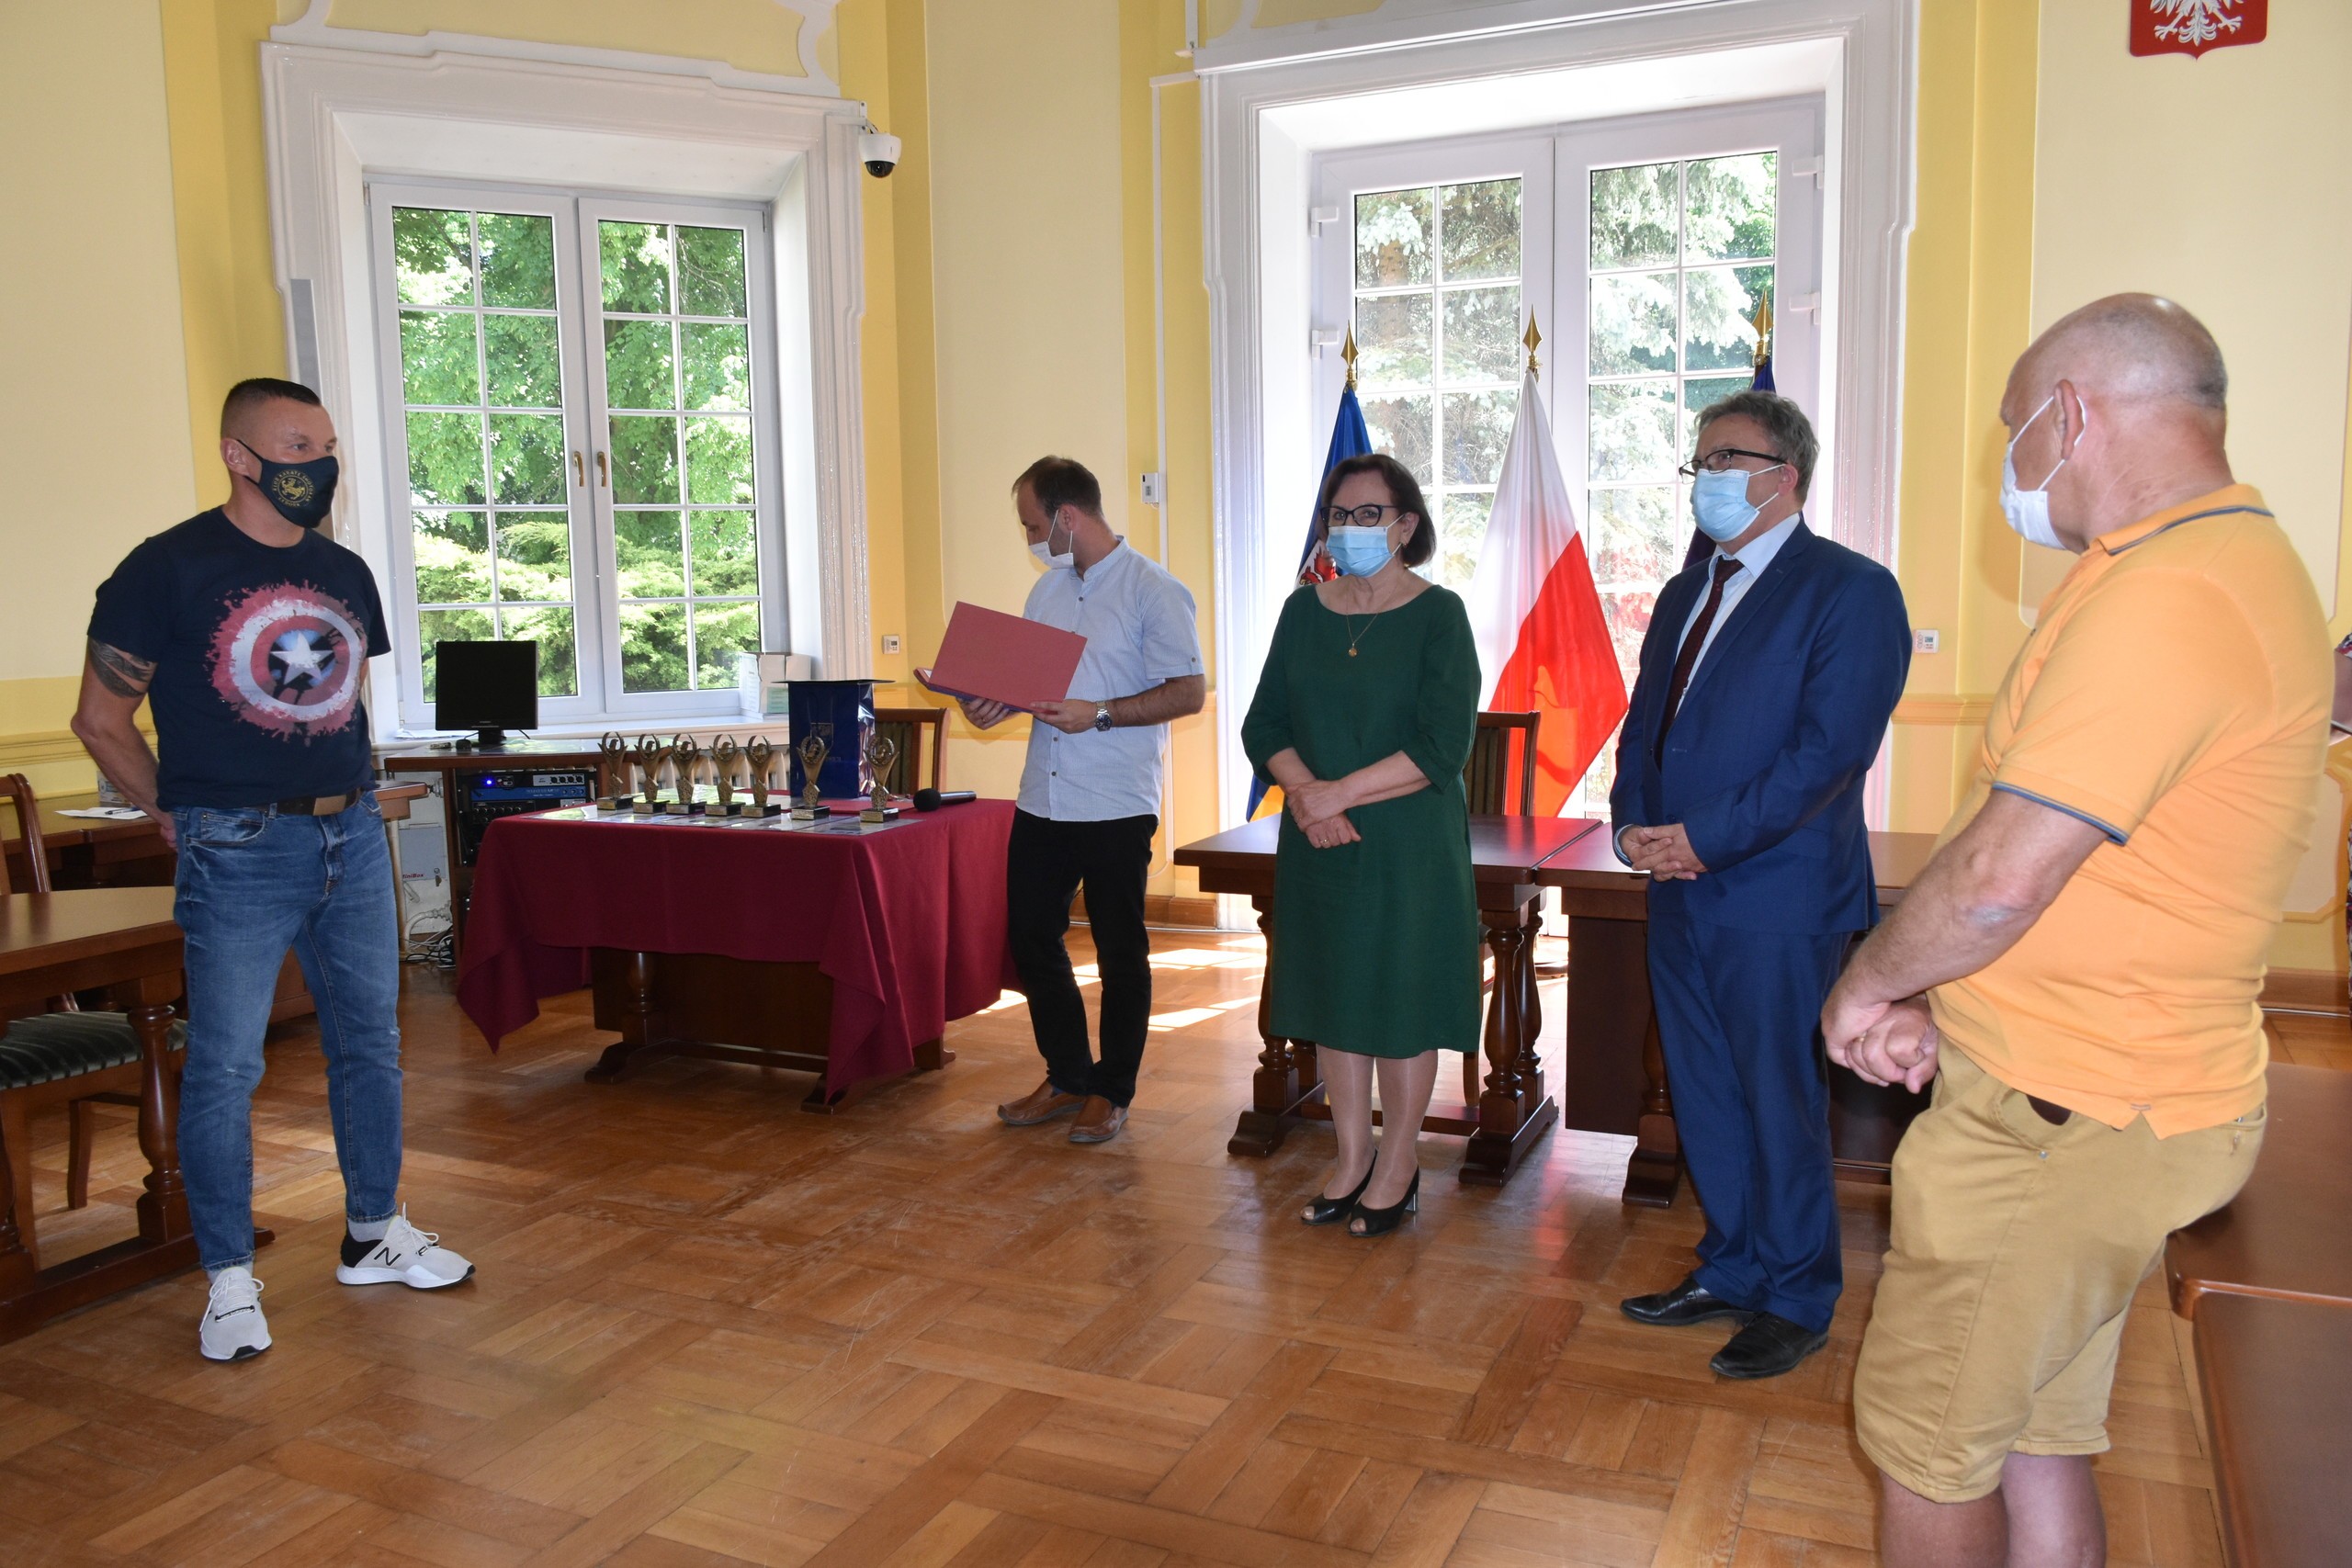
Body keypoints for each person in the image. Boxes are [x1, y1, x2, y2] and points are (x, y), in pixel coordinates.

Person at [1823, 294, 2326, 1568]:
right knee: (2031, 1431)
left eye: (2013, 429)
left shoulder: (2175, 595)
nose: (2010, 464)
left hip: (2069, 1118)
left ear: (2070, 414)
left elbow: (2003, 877)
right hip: (2106, 1090)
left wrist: (1867, 984)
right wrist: (1949, 1003)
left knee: (1928, 1447)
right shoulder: (2202, 562)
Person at [73, 378, 473, 1363]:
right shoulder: (164, 568)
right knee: (226, 1066)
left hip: (352, 835)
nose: (317, 465)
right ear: (238, 454)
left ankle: (374, 1233)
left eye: (326, 446)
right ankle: (228, 1278)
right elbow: (99, 719)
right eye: (296, 446)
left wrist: (355, 795)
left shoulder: (344, 571)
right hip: (238, 846)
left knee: (370, 1044)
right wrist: (173, 809)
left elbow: (342, 700)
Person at [1610, 389, 1910, 1378]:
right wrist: (1633, 826)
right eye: (1698, 461)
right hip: (1678, 889)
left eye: (1724, 459)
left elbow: (1828, 753)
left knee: (1777, 1098)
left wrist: (1704, 838)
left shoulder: (1850, 590)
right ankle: (1733, 1267)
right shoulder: (1685, 591)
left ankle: (1797, 1295)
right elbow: (1645, 727)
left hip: (1778, 896)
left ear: (1784, 475)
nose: (1704, 478)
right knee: (1705, 1090)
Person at [1240, 453, 1481, 1237]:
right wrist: (1308, 796)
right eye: (1338, 515)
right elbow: (1263, 724)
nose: (1349, 528)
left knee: (1401, 1001)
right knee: (1336, 999)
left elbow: (1443, 745)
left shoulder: (1439, 615)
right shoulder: (1302, 611)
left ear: (1406, 525)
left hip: (1407, 845)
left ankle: (1399, 1164)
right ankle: (1350, 1160)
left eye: (1368, 514)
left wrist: (1332, 794)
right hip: (1320, 840)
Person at [965, 457, 1204, 1145]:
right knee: (1032, 936)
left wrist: (1098, 713)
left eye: (1032, 525)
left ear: (1067, 517)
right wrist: (993, 705)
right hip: (1043, 796)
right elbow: (1034, 690)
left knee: (1118, 948)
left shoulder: (1155, 590)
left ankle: (1113, 1089)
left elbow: (1188, 691)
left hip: (1115, 799)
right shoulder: (1045, 592)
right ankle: (1068, 1075)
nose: (1029, 538)